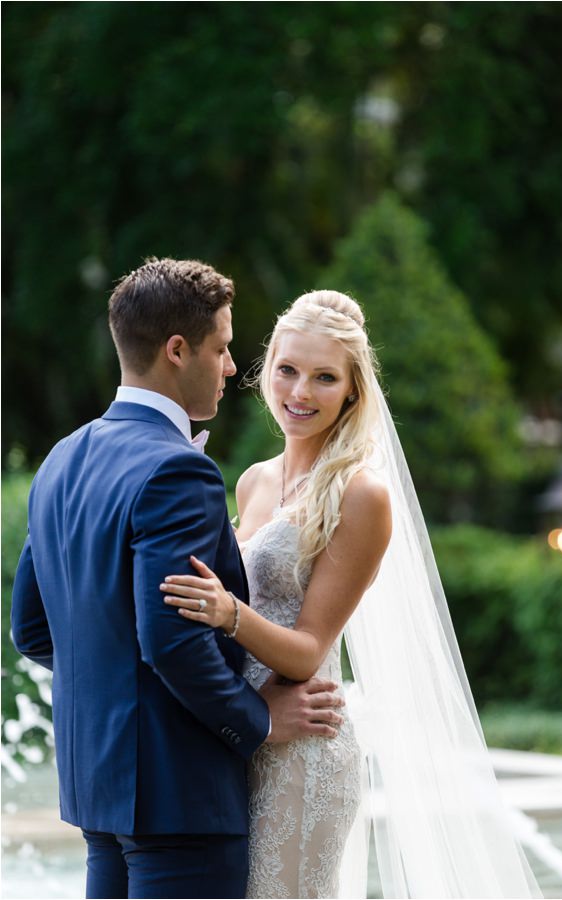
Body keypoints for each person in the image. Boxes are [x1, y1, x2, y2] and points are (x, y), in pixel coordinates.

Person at [160, 290, 542, 898]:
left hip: (303, 756)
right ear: (266, 372)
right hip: (248, 733)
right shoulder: (255, 480)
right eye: (287, 370)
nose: (300, 392)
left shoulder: (361, 495)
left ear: (353, 392)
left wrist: (229, 613)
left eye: (324, 378)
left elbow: (310, 648)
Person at [10, 258, 346, 899]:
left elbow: (32, 627)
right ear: (176, 350)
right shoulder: (178, 471)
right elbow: (171, 638)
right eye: (220, 348)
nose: (229, 367)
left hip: (97, 786)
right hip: (181, 792)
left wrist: (121, 699)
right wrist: (258, 718)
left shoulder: (62, 458)